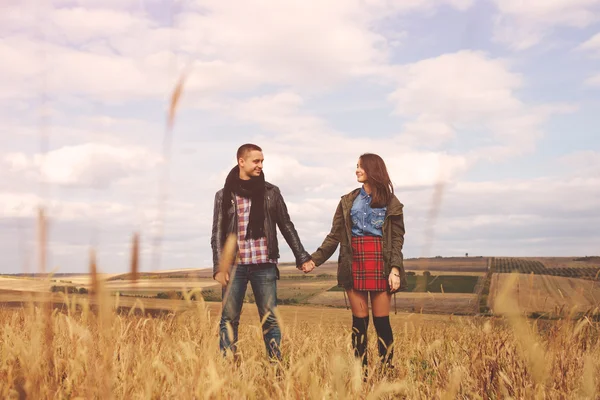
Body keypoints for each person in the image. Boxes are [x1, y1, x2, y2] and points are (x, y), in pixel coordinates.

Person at [211, 143, 314, 361]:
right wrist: (219, 267)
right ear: (241, 162)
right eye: (256, 161)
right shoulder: (224, 195)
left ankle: (276, 367)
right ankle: (227, 367)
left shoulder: (271, 192)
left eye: (262, 162)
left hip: (264, 264)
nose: (260, 165)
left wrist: (301, 256)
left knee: (270, 319)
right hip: (234, 266)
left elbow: (286, 225)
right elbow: (217, 234)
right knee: (229, 319)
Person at [305, 153, 406, 374]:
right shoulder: (347, 201)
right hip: (354, 262)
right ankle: (361, 372)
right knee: (359, 323)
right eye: (357, 166)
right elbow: (334, 236)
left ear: (373, 169)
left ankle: (386, 370)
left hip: (381, 262)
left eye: (360, 166)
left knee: (382, 323)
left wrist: (395, 270)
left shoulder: (391, 202)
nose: (357, 170)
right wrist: (315, 260)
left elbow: (397, 239)